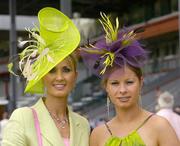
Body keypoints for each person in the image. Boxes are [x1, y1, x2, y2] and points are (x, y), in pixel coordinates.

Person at [80, 13, 180, 146]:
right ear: (106, 87)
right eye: (115, 83)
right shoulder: (98, 135)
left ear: (141, 82)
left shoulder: (160, 126)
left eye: (129, 82)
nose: (122, 90)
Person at [2, 7, 90, 146]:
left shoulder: (83, 124)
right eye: (52, 70)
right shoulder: (24, 117)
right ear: (42, 76)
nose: (59, 77)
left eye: (66, 70)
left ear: (75, 76)